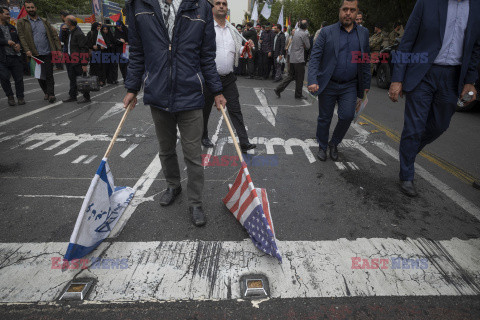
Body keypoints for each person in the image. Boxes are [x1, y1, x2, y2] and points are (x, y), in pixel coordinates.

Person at [123, 0, 226, 227]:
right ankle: (173, 185)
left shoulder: (201, 7)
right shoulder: (138, 6)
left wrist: (217, 90)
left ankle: (196, 202)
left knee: (193, 154)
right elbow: (137, 53)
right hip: (158, 94)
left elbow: (207, 56)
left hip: (190, 95)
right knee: (166, 149)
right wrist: (132, 88)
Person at [388, 0, 480, 197]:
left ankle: (408, 153)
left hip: (453, 77)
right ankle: (406, 175)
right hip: (423, 73)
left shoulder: (477, 7)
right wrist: (397, 79)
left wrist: (471, 80)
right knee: (414, 127)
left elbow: (476, 47)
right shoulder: (427, 3)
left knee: (440, 125)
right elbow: (407, 41)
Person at [307, 0, 371, 162]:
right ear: (340, 11)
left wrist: (366, 87)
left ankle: (334, 143)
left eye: (352, 10)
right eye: (345, 9)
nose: (348, 13)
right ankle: (322, 146)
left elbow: (365, 60)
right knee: (324, 118)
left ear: (357, 13)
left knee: (347, 116)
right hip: (328, 83)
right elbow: (315, 57)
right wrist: (313, 79)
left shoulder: (363, 33)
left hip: (350, 84)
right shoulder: (326, 32)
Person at [202, 0, 256, 153]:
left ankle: (244, 142)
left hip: (228, 78)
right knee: (204, 110)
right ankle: (203, 136)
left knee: (235, 109)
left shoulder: (233, 31)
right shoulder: (206, 28)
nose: (221, 6)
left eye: (224, 4)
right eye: (218, 3)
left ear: (227, 8)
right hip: (209, 78)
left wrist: (246, 47)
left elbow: (239, 52)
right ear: (212, 8)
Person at [16, 0, 61, 103]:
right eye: (28, 8)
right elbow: (22, 37)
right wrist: (27, 50)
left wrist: (58, 49)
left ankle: (51, 94)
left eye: (32, 7)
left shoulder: (44, 21)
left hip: (47, 52)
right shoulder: (21, 22)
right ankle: (46, 92)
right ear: (26, 9)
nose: (31, 9)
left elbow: (53, 35)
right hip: (34, 54)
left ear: (35, 8)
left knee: (49, 74)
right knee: (40, 75)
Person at [274, 19, 310, 100]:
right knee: (300, 78)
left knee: (291, 76)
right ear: (306, 27)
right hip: (299, 59)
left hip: (292, 58)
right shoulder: (304, 34)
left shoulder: (296, 33)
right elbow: (308, 46)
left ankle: (278, 89)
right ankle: (298, 94)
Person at [62, 15, 90, 104]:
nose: (64, 23)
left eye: (65, 21)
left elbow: (84, 49)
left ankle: (86, 97)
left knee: (82, 79)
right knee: (72, 78)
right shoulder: (69, 32)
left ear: (69, 23)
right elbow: (63, 40)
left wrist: (84, 64)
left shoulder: (79, 33)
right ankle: (73, 96)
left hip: (78, 61)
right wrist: (63, 31)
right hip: (70, 59)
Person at [0, 6, 24, 106]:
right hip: (2, 59)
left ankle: (20, 97)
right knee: (4, 79)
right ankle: (10, 97)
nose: (9, 16)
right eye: (6, 14)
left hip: (14, 57)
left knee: (19, 78)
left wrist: (18, 45)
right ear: (0, 14)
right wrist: (6, 42)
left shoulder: (12, 27)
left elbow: (18, 39)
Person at [87, 22, 104, 86]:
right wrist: (92, 46)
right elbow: (87, 43)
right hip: (93, 53)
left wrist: (100, 47)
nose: (99, 27)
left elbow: (103, 43)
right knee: (93, 67)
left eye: (99, 26)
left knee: (100, 67)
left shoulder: (100, 33)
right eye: (97, 26)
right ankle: (93, 80)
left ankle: (100, 80)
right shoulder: (90, 33)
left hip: (100, 52)